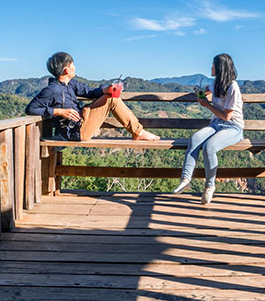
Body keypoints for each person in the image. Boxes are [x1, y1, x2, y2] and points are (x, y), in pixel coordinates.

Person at [25, 52, 160, 142]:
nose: (75, 67)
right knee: (112, 99)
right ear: (66, 70)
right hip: (77, 131)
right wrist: (59, 111)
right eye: (72, 65)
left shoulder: (70, 84)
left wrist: (106, 89)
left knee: (110, 95)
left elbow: (89, 91)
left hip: (82, 119)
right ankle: (138, 132)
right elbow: (31, 109)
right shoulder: (52, 90)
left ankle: (137, 131)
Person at [172, 53, 244, 205]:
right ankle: (185, 180)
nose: (211, 67)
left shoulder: (233, 87)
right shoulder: (216, 83)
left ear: (220, 67)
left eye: (213, 65)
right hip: (216, 124)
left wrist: (206, 104)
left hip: (233, 127)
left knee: (209, 147)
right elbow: (205, 91)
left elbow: (227, 116)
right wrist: (199, 91)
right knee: (195, 139)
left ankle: (209, 186)